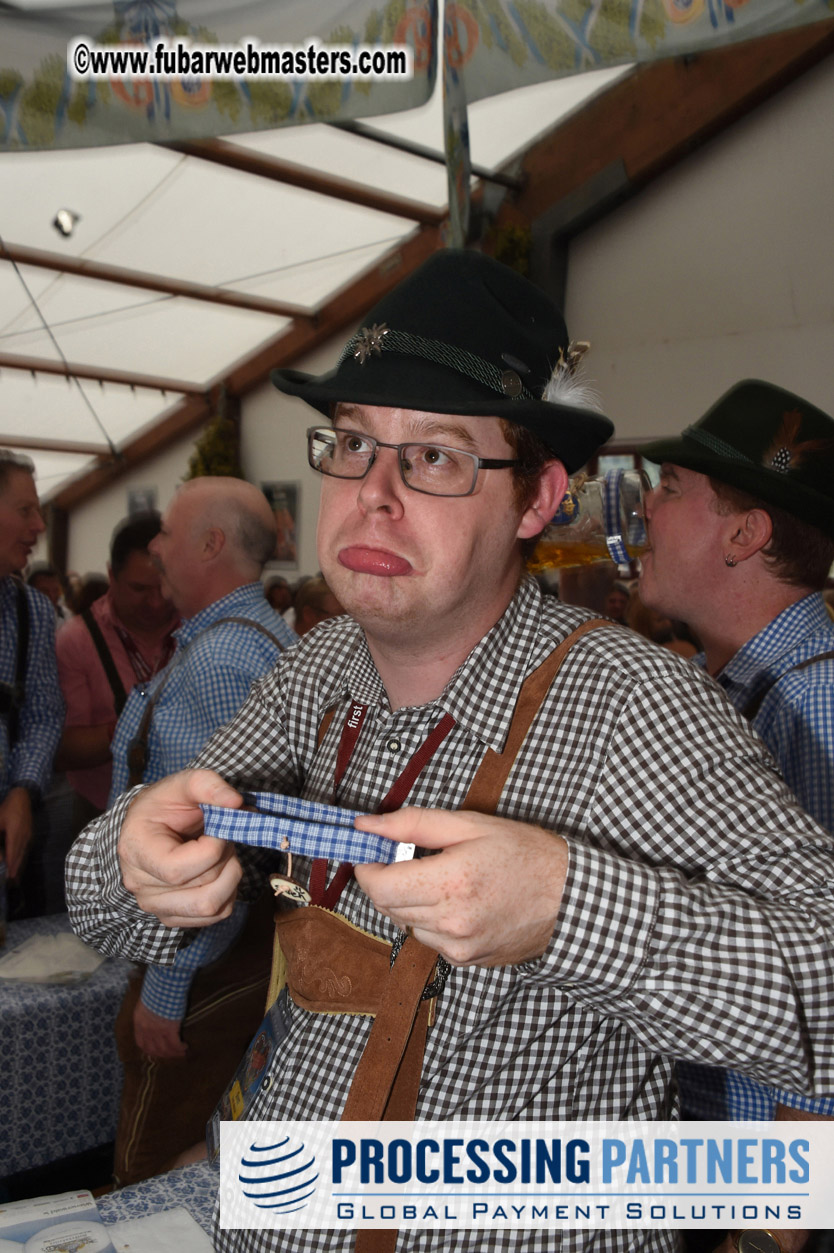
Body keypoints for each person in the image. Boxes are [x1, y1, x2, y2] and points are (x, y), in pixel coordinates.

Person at [67, 252, 834, 1253]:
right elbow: (102, 903)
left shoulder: (632, 703)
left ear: (534, 497)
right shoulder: (317, 670)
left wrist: (568, 905)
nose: (373, 495)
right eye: (353, 443)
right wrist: (133, 856)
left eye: (434, 456)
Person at [639, 378, 834, 1253]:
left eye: (674, 488)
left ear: (745, 533)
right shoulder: (750, 689)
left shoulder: (811, 704)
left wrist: (771, 1234)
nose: (646, 501)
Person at [106, 476, 298, 1185]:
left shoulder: (222, 659)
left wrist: (169, 982)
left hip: (206, 959)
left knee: (153, 1169)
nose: (152, 544)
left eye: (167, 532)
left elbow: (218, 839)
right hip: (228, 951)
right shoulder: (249, 637)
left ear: (211, 543)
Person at [55, 512, 178, 825]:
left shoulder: (197, 628)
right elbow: (61, 748)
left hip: (181, 809)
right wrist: (133, 727)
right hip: (98, 811)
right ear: (111, 575)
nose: (155, 602)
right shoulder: (77, 640)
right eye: (139, 589)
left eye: (163, 586)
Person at [0, 451, 63, 891]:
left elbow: (43, 714)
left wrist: (24, 788)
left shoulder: (32, 612)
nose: (39, 526)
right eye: (26, 511)